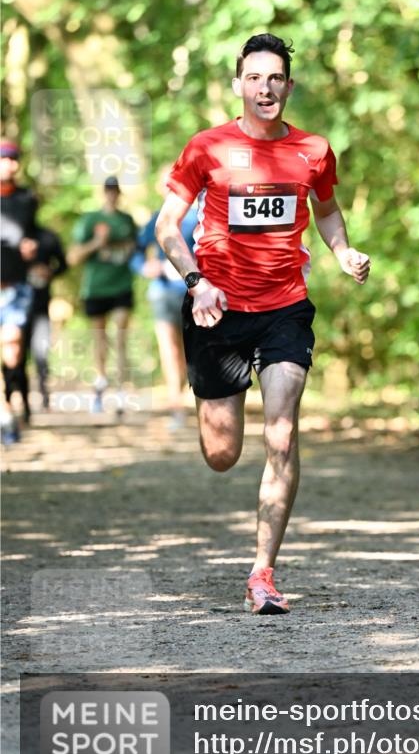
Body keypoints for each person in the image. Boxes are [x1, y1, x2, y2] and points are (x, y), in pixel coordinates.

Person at [156, 33, 370, 615]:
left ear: (289, 86)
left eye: (275, 78)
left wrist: (343, 252)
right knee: (222, 453)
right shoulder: (207, 148)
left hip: (284, 307)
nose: (266, 88)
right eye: (255, 78)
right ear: (238, 85)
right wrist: (197, 281)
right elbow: (167, 226)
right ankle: (227, 407)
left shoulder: (314, 150)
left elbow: (325, 210)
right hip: (216, 309)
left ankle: (262, 574)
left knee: (283, 432)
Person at [134, 166, 198, 430]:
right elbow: (136, 253)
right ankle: (177, 408)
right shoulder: (155, 220)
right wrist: (144, 267)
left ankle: (201, 402)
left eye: (173, 183)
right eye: (164, 184)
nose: (168, 188)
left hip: (195, 295)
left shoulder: (199, 216)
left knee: (193, 352)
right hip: (162, 293)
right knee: (170, 351)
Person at [68, 175, 137, 415]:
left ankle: (120, 390)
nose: (112, 194)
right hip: (95, 288)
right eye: (108, 190)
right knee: (100, 339)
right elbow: (73, 257)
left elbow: (137, 249)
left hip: (122, 287)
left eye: (115, 190)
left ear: (119, 193)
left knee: (120, 333)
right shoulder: (90, 220)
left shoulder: (127, 220)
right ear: (103, 192)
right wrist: (97, 244)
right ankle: (100, 382)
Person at [0, 139, 38, 444]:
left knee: (12, 349)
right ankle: (6, 413)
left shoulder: (27, 199)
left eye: (13, 158)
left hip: (17, 286)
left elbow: (34, 236)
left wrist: (33, 249)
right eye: (3, 158)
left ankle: (12, 403)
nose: (9, 163)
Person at [19, 225, 68, 412]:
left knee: (41, 350)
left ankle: (43, 392)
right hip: (16, 305)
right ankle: (22, 402)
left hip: (41, 304)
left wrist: (49, 272)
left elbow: (63, 264)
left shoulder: (48, 237)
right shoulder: (10, 236)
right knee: (18, 353)